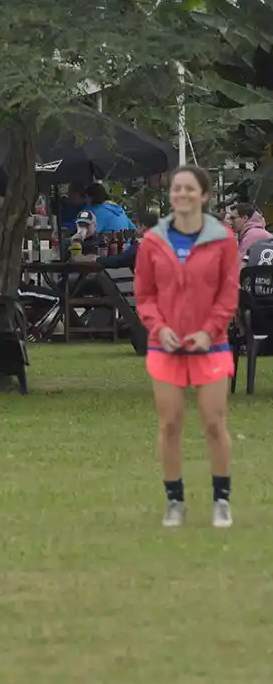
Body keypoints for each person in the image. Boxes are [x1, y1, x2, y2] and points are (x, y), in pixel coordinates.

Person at [134, 166, 239, 529]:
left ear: (204, 195)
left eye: (190, 189)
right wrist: (159, 328)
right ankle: (175, 501)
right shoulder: (153, 241)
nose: (182, 194)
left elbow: (228, 293)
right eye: (176, 188)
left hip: (211, 345)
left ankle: (221, 500)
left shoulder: (223, 239)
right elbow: (145, 295)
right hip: (165, 346)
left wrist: (210, 331)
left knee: (213, 422)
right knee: (169, 424)